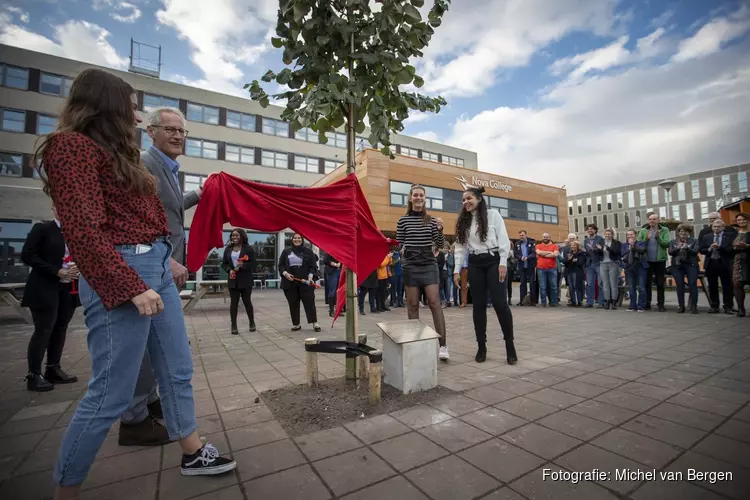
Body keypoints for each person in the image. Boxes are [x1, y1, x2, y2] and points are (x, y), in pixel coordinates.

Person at [37, 68, 235, 498]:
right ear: (106, 102)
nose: (136, 113)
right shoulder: (71, 148)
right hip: (126, 274)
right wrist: (129, 284)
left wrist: (165, 264)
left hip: (157, 269)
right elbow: (84, 230)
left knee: (177, 370)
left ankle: (191, 450)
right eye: (130, 104)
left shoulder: (119, 154)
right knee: (111, 391)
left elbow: (147, 216)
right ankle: (65, 491)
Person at [120, 106, 206, 447]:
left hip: (160, 265)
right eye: (170, 129)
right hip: (153, 267)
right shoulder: (144, 163)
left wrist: (199, 194)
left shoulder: (168, 168)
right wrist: (166, 258)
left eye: (182, 131)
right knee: (146, 345)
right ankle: (134, 417)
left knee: (161, 343)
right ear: (151, 131)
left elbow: (167, 208)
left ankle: (146, 402)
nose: (178, 136)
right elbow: (139, 217)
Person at [453, 186, 516, 364]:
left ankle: (510, 346)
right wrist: (457, 270)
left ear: (479, 199)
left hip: (494, 261)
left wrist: (503, 261)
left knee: (500, 304)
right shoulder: (463, 221)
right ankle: (481, 347)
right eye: (463, 200)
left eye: (469, 198)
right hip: (475, 263)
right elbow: (460, 248)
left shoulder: (493, 215)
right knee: (478, 306)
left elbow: (503, 238)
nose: (466, 202)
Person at [21, 206, 80, 392]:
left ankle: (53, 369)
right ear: (54, 209)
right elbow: (27, 255)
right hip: (45, 287)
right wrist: (56, 270)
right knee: (44, 329)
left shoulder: (77, 232)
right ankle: (34, 374)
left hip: (68, 288)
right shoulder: (43, 229)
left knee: (61, 327)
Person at [396, 184, 449, 360]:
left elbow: (440, 244)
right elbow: (399, 244)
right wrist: (401, 254)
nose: (418, 197)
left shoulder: (432, 220)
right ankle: (415, 345)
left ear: (424, 198)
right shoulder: (403, 221)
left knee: (434, 302)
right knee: (412, 305)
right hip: (410, 264)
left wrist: (441, 230)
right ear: (410, 198)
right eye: (415, 195)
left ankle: (443, 346)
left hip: (428, 262)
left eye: (421, 195)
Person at [278, 233, 321, 332]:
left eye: (299, 238)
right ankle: (296, 324)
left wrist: (310, 277)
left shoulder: (308, 252)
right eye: (295, 238)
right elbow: (280, 266)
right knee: (293, 303)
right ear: (292, 240)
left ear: (302, 240)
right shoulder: (286, 251)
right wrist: (285, 274)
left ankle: (315, 323)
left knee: (309, 302)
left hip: (305, 282)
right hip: (290, 282)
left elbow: (313, 266)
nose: (297, 240)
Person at [222, 229, 256, 334]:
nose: (234, 237)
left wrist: (244, 265)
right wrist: (229, 270)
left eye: (236, 235)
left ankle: (252, 322)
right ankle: (234, 326)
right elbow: (224, 263)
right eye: (232, 235)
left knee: (247, 302)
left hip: (245, 280)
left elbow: (254, 264)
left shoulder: (249, 249)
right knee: (234, 303)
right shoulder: (228, 249)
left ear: (242, 236)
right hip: (233, 280)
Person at [700, 219, 735, 314]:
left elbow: (731, 249)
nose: (716, 228)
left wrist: (720, 247)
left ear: (723, 227)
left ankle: (728, 306)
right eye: (714, 226)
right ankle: (714, 306)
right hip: (711, 263)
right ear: (712, 228)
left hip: (724, 263)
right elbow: (701, 249)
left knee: (727, 286)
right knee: (712, 286)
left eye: (718, 226)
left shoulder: (729, 236)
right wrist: (710, 248)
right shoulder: (707, 237)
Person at [638, 213, 670, 312]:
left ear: (658, 220)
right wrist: (646, 240)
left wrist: (657, 238)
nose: (652, 221)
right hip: (647, 261)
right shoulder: (643, 231)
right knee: (647, 283)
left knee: (660, 283)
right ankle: (647, 303)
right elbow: (639, 245)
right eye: (650, 219)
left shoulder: (664, 230)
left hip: (660, 260)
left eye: (654, 219)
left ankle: (661, 304)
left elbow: (666, 244)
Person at [669, 225, 700, 314]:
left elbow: (695, 252)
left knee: (692, 284)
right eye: (681, 232)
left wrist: (687, 248)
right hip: (677, 265)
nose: (683, 233)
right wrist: (677, 248)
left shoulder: (694, 241)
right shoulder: (673, 242)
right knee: (680, 285)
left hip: (691, 264)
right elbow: (670, 252)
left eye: (685, 232)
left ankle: (694, 306)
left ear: (689, 233)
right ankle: (681, 306)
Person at [621, 229, 648, 312]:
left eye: (631, 234)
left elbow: (642, 250)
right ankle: (632, 305)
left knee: (641, 287)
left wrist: (634, 246)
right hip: (629, 268)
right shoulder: (624, 245)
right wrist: (629, 247)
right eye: (628, 235)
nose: (629, 236)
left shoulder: (641, 243)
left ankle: (641, 306)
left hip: (640, 267)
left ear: (635, 235)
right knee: (631, 287)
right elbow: (622, 254)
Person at [595, 228, 622, 310]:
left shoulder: (617, 242)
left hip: (613, 264)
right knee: (605, 284)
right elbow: (600, 254)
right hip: (603, 264)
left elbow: (617, 253)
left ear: (612, 235)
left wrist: (609, 248)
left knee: (613, 284)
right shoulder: (601, 242)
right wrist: (599, 250)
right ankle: (607, 301)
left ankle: (614, 302)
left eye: (609, 234)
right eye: (606, 234)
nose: (607, 236)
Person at [583, 224, 605, 308]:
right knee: (590, 284)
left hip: (598, 263)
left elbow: (602, 250)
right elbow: (587, 252)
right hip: (589, 264)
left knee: (600, 283)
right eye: (588, 229)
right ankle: (589, 302)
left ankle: (601, 302)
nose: (590, 230)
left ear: (595, 230)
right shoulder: (586, 240)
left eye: (591, 229)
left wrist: (595, 249)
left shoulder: (600, 239)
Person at [732, 213, 749, 317]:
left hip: (749, 259)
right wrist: (734, 248)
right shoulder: (735, 233)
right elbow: (729, 246)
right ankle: (741, 309)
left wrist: (747, 246)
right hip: (738, 261)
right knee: (737, 284)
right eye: (739, 220)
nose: (741, 222)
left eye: (743, 220)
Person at [536, 233, 559, 307]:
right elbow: (538, 252)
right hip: (541, 269)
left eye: (547, 237)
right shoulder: (538, 245)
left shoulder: (554, 246)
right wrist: (550, 253)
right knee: (542, 286)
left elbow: (555, 254)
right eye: (544, 237)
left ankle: (554, 302)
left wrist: (543, 254)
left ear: (549, 238)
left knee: (554, 286)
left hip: (552, 268)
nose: (545, 238)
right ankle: (543, 303)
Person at [514, 230, 536, 305]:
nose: (521, 237)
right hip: (522, 266)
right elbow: (516, 254)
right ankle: (522, 301)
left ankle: (533, 301)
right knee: (522, 283)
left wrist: (527, 257)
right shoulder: (517, 244)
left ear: (526, 235)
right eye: (520, 235)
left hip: (530, 266)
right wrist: (521, 258)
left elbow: (534, 253)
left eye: (522, 235)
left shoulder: (532, 242)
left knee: (532, 283)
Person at [564, 240, 587, 306]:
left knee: (577, 286)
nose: (573, 246)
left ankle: (579, 301)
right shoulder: (569, 253)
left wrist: (573, 260)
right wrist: (571, 260)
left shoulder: (581, 253)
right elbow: (565, 262)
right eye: (572, 245)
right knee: (571, 287)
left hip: (577, 272)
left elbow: (580, 263)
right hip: (569, 272)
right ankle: (573, 301)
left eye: (574, 245)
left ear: (577, 246)